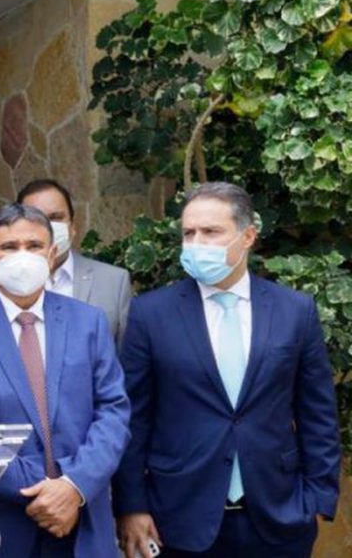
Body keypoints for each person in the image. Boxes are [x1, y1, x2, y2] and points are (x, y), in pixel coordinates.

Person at [113, 182, 341, 558]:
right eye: (189, 233)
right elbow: (132, 419)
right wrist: (131, 506)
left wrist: (317, 499)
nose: (196, 243)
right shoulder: (151, 314)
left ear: (247, 236)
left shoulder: (294, 311)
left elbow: (317, 413)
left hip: (280, 517)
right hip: (178, 519)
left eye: (211, 231)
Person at [0, 204, 130, 557]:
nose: (22, 256)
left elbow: (113, 413)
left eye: (34, 246)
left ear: (52, 255)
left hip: (82, 520)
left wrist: (74, 486)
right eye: (9, 247)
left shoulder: (89, 322)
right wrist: (43, 492)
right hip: (0, 524)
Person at [0, 179, 132, 340]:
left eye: (56, 217)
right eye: (37, 218)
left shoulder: (113, 281)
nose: (48, 227)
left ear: (73, 227)